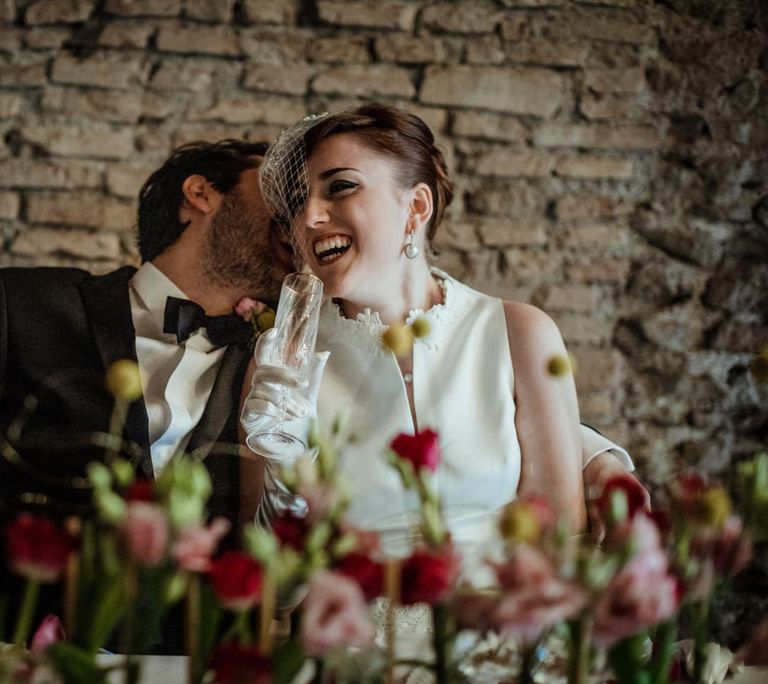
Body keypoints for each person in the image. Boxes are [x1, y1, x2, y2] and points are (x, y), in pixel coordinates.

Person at [242, 104, 647, 552]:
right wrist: (284, 471)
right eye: (298, 202)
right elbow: (274, 591)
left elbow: (561, 547)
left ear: (416, 207)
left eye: (340, 187)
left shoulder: (520, 334)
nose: (309, 218)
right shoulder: (281, 362)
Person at [0, 139, 292, 650]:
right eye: (278, 186)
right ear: (199, 193)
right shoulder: (20, 304)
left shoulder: (280, 369)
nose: (303, 211)